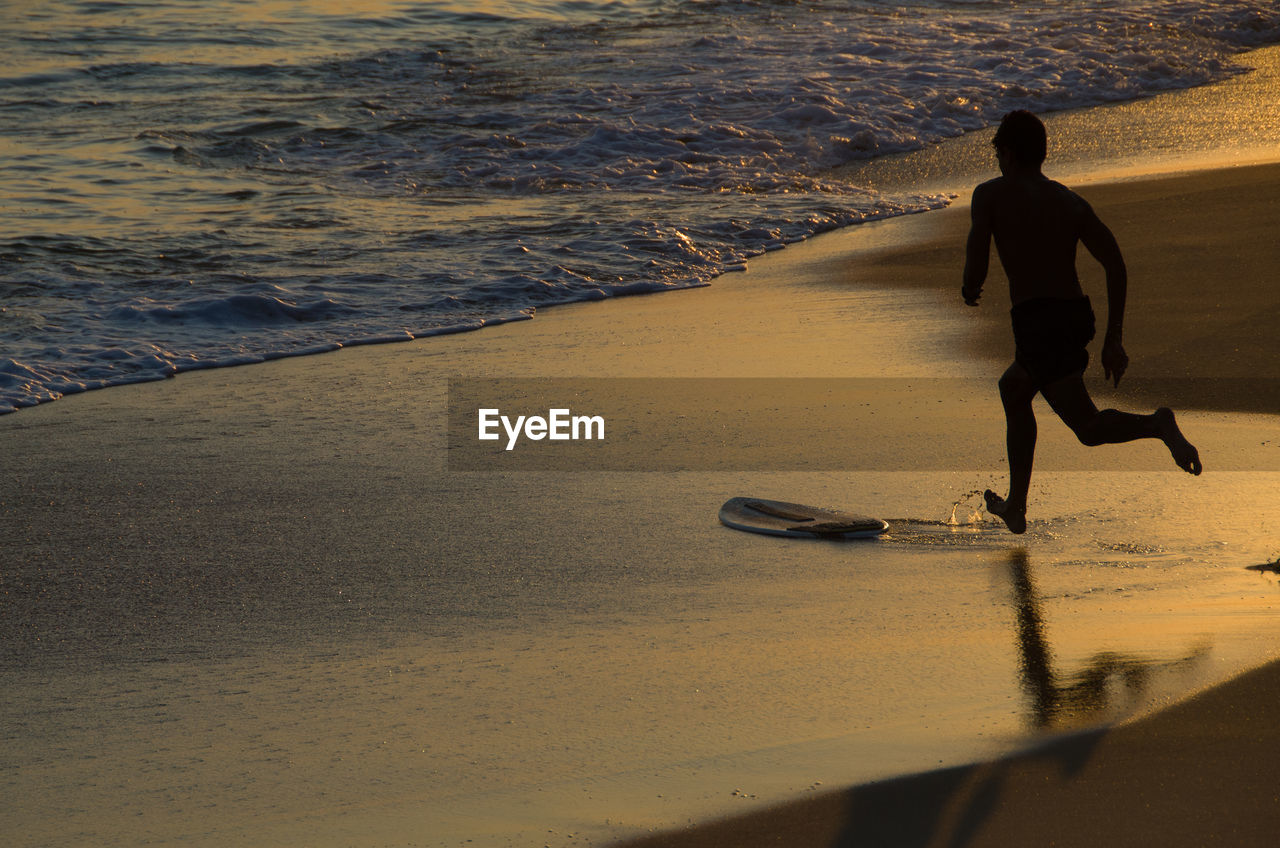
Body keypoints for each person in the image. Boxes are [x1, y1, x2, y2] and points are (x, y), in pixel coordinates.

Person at [962, 110, 1201, 534]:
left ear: (1010, 154)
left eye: (999, 152)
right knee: (1014, 389)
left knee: (1087, 428)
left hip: (1039, 322)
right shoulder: (1069, 201)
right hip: (1074, 318)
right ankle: (1016, 505)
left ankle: (1157, 424)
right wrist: (1113, 338)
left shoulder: (990, 195)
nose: (998, 161)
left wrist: (970, 287)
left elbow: (976, 264)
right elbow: (1114, 262)